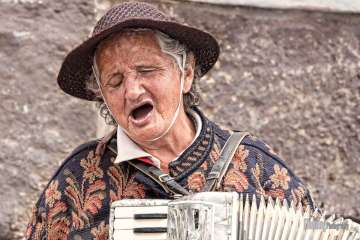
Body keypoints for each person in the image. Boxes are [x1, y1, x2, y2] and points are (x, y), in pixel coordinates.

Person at [25, 2, 316, 239]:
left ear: (186, 74)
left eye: (147, 70)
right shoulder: (78, 177)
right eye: (114, 82)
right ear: (102, 97)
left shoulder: (257, 167)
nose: (132, 91)